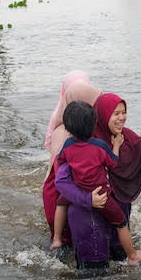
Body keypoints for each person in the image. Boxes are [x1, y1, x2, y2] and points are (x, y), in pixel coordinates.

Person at [56, 92, 141, 268]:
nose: (121, 118)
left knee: (119, 261)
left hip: (117, 211)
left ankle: (129, 255)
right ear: (100, 115)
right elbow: (62, 181)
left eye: (124, 112)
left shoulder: (127, 139)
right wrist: (88, 199)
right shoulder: (83, 142)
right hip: (88, 215)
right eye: (115, 113)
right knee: (94, 271)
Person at [42, 75, 102, 246]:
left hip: (56, 195)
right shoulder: (74, 135)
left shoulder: (63, 129)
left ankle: (57, 239)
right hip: (66, 194)